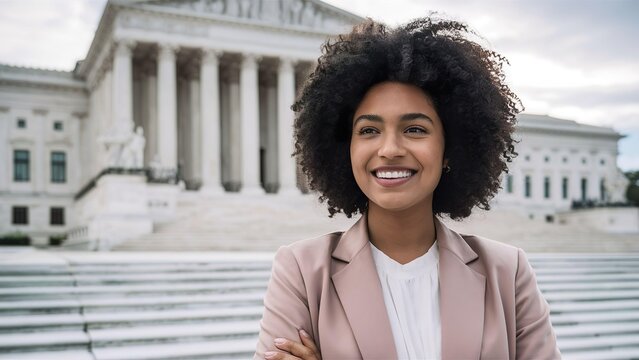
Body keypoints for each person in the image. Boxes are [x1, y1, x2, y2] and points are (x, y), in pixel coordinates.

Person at [254, 15, 561, 360]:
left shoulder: (507, 271)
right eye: (368, 131)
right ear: (346, 149)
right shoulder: (301, 270)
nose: (389, 150)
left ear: (450, 149)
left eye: (415, 129)